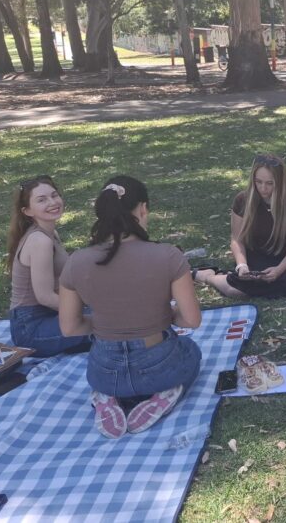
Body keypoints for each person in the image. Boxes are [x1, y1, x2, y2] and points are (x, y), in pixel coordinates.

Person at [59, 176, 202, 438]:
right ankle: (163, 395)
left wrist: (106, 322)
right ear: (143, 209)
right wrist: (164, 315)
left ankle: (107, 397)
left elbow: (69, 327)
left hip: (104, 369)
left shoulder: (76, 261)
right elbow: (191, 320)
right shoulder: (169, 255)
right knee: (191, 351)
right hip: (159, 365)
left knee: (112, 371)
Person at [194, 154, 286, 298]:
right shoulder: (243, 200)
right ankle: (207, 276)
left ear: (280, 182)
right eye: (258, 182)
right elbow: (237, 239)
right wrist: (242, 265)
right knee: (235, 290)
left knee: (283, 286)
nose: (263, 188)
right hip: (255, 255)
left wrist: (279, 270)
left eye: (270, 183)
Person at [7, 176, 90, 357]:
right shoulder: (40, 241)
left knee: (118, 312)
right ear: (27, 211)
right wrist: (85, 311)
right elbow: (44, 297)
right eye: (42, 200)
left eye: (54, 195)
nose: (52, 202)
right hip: (30, 329)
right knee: (114, 325)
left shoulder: (50, 234)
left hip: (51, 315)